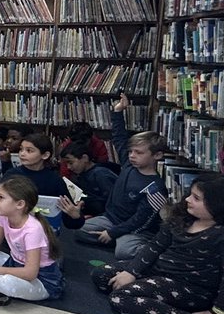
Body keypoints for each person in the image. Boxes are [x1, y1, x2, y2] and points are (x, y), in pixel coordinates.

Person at [90, 173, 224, 314]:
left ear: (221, 206)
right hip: (159, 271)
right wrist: (131, 272)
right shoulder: (183, 217)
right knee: (101, 274)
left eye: (196, 198)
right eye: (190, 194)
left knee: (121, 299)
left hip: (191, 288)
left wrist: (219, 313)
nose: (188, 199)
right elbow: (155, 246)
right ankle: (152, 295)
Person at [69, 93, 167, 260]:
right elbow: (119, 138)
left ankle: (137, 244)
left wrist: (114, 232)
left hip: (137, 229)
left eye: (139, 152)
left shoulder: (155, 188)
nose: (132, 155)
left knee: (124, 252)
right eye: (131, 152)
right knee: (77, 229)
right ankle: (112, 237)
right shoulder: (129, 164)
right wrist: (117, 112)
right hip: (111, 219)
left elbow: (141, 220)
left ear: (157, 156)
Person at [0, 175, 65, 308]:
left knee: (3, 282)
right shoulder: (4, 217)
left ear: (20, 204)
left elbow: (30, 273)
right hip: (14, 264)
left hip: (42, 280)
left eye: (1, 197)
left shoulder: (33, 229)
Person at [0, 132, 65, 221]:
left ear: (45, 155)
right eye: (21, 149)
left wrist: (74, 214)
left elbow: (69, 219)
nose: (22, 154)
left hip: (45, 228)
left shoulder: (55, 180)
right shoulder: (13, 174)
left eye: (29, 151)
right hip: (13, 226)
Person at [57, 140, 117, 224]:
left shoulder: (101, 174)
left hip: (107, 217)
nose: (68, 167)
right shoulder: (80, 175)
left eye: (71, 162)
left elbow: (113, 203)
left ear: (84, 158)